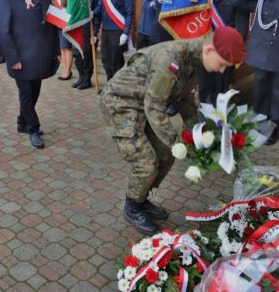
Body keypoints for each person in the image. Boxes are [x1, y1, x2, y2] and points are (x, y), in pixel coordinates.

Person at [100, 27, 246, 234]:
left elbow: (184, 100)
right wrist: (177, 142)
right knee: (146, 162)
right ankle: (132, 207)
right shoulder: (171, 59)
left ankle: (140, 198)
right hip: (121, 104)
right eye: (222, 64)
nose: (222, 70)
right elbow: (154, 108)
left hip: (144, 103)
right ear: (209, 50)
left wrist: (198, 133)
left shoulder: (194, 62)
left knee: (165, 155)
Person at [0, 0, 60, 149]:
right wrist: (12, 57)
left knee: (34, 93)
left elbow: (54, 23)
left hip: (41, 56)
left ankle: (22, 121)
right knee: (25, 94)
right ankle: (33, 129)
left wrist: (55, 51)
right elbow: (3, 30)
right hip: (21, 57)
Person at [232, 0, 279, 145]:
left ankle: (273, 124)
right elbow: (238, 1)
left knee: (277, 92)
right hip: (262, 54)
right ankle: (260, 119)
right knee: (261, 88)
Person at [198, 0, 250, 105]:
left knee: (219, 93)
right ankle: (202, 124)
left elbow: (241, 29)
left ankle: (218, 125)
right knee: (203, 90)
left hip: (223, 52)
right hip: (206, 48)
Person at [94, 0, 134, 80]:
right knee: (105, 59)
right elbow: (100, 9)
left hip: (117, 32)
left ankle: (116, 88)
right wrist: (92, 16)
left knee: (116, 61)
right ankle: (109, 85)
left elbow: (129, 12)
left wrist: (126, 33)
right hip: (105, 31)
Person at [72, 0, 101, 90]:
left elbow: (98, 15)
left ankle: (87, 80)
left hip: (89, 31)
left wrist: (94, 33)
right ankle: (81, 76)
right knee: (77, 55)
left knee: (87, 57)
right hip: (78, 30)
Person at [55, 0, 73, 81]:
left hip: (66, 21)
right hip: (59, 20)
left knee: (67, 47)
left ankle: (68, 71)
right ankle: (64, 68)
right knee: (62, 47)